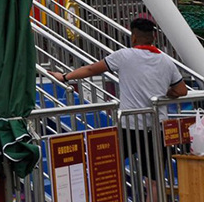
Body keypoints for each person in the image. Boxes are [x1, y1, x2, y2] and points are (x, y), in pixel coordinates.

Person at [48, 16, 187, 202]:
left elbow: (91, 70)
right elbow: (181, 90)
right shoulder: (166, 61)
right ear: (153, 37)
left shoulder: (124, 56)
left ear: (134, 37)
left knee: (107, 168)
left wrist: (65, 77)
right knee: (154, 181)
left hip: (129, 126)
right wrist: (164, 92)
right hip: (156, 127)